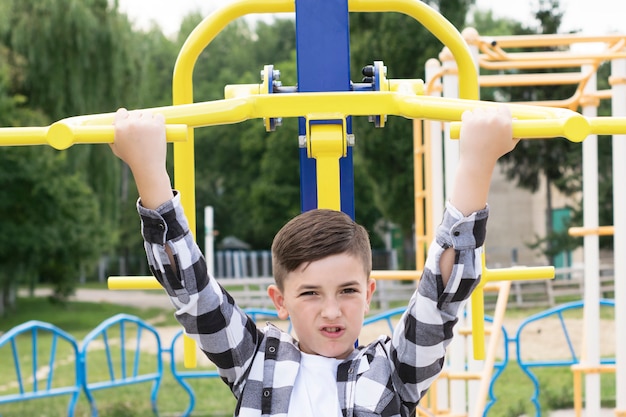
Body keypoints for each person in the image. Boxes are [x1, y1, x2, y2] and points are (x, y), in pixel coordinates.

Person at [110, 105, 518, 417]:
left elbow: (441, 298)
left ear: (368, 293)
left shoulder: (392, 371)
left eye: (347, 290)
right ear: (280, 300)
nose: (331, 310)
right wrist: (148, 169)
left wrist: (476, 164)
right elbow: (192, 291)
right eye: (309, 293)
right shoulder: (255, 362)